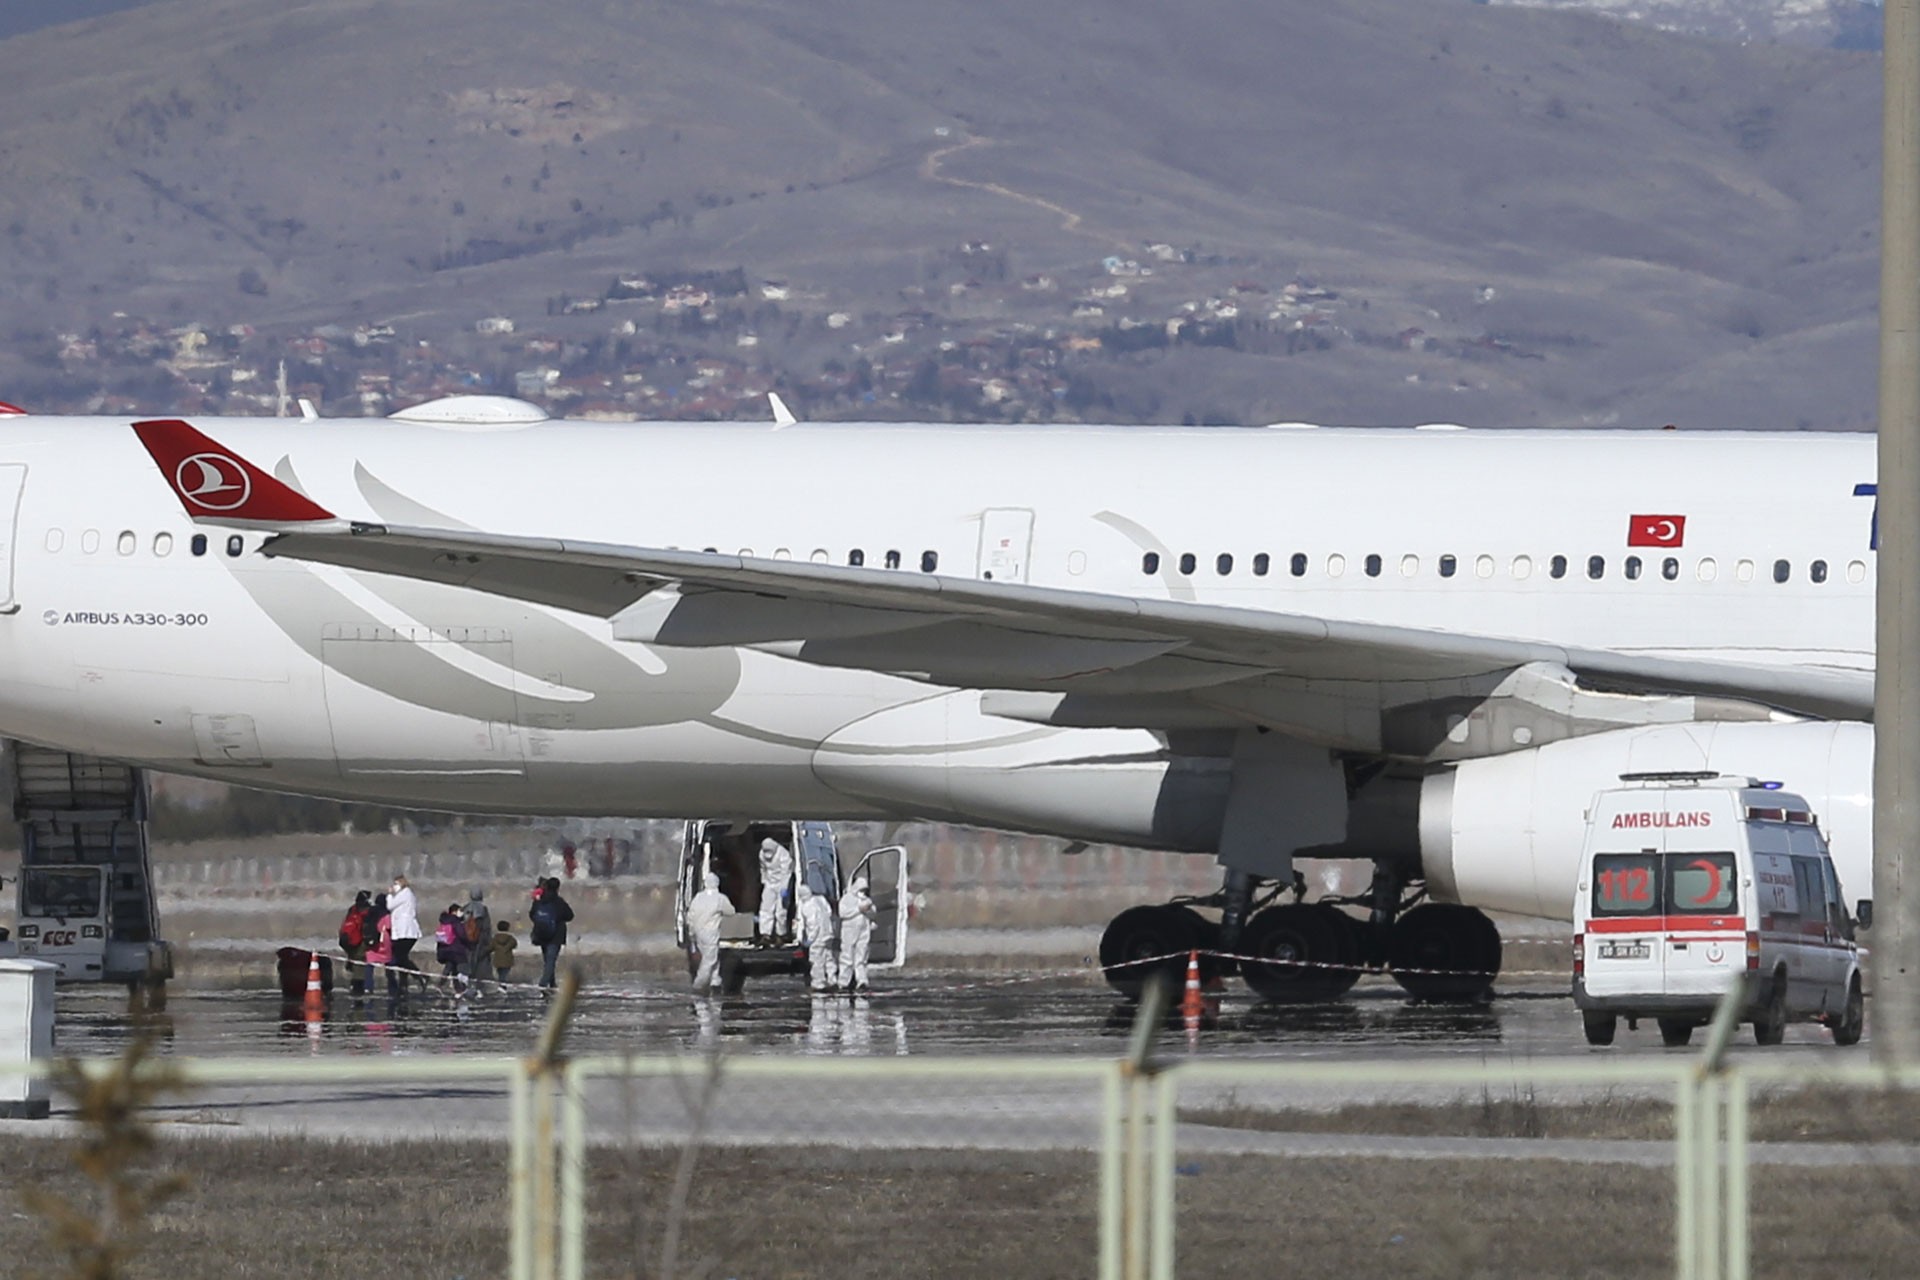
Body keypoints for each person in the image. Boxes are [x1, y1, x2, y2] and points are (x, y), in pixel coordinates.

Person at [686, 871, 734, 992]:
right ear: (717, 883)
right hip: (710, 933)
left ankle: (715, 981)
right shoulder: (720, 898)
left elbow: (690, 916)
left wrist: (691, 932)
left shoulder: (698, 897)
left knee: (712, 957)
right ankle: (699, 985)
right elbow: (731, 911)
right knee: (709, 960)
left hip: (698, 933)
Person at [528, 877, 575, 990]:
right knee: (551, 960)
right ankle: (543, 984)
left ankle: (552, 983)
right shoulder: (559, 902)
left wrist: (541, 922)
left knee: (547, 959)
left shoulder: (539, 900)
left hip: (541, 933)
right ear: (558, 888)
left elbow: (532, 914)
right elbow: (570, 916)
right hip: (556, 935)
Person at [836, 875, 877, 993]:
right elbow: (842, 913)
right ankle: (843, 982)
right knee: (847, 956)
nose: (863, 892)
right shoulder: (847, 899)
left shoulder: (867, 900)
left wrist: (868, 910)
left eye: (864, 890)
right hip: (849, 931)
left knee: (861, 957)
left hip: (864, 932)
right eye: (861, 889)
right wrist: (858, 909)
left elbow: (874, 913)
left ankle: (862, 981)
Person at [795, 881, 837, 993]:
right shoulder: (820, 899)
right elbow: (829, 912)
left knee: (816, 960)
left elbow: (813, 925)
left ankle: (818, 983)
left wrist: (810, 939)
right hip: (828, 934)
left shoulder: (808, 906)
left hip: (818, 938)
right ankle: (832, 979)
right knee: (829, 958)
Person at [387, 874, 424, 992]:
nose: (394, 886)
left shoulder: (405, 894)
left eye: (396, 884)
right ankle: (404, 984)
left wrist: (389, 894)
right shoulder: (404, 895)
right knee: (402, 957)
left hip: (406, 931)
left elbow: (390, 905)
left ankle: (419, 976)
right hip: (402, 931)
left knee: (399, 957)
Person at [337, 889, 375, 994]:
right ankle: (358, 988)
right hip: (359, 940)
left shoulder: (353, 909)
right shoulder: (367, 910)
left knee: (354, 960)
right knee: (360, 963)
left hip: (347, 940)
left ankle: (354, 983)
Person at [757, 837, 793, 941]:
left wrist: (784, 888)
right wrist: (763, 880)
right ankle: (765, 934)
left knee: (780, 911)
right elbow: (763, 868)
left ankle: (780, 934)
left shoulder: (783, 854)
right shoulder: (761, 854)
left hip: (781, 883)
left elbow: (786, 873)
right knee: (765, 909)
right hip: (769, 883)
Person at [366, 892, 397, 998]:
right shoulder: (386, 914)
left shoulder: (370, 912)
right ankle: (393, 988)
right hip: (384, 941)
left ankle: (368, 987)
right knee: (389, 963)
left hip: (371, 942)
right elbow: (389, 927)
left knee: (369, 966)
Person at [463, 887, 493, 989]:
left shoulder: (465, 908)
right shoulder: (483, 909)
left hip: (466, 939)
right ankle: (478, 984)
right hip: (479, 939)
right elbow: (486, 927)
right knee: (479, 961)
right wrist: (488, 941)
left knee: (467, 960)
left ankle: (467, 982)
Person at [436, 902, 470, 993]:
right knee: (453, 967)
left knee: (451, 967)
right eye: (459, 911)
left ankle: (457, 989)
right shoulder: (455, 921)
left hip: (444, 948)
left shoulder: (444, 921)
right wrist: (469, 942)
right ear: (454, 911)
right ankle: (441, 985)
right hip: (454, 949)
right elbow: (461, 935)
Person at [489, 919, 518, 983]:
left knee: (500, 973)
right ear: (508, 928)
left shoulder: (495, 938)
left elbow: (490, 947)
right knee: (504, 974)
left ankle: (501, 984)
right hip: (508, 960)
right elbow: (515, 945)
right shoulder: (511, 938)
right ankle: (502, 985)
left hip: (498, 960)